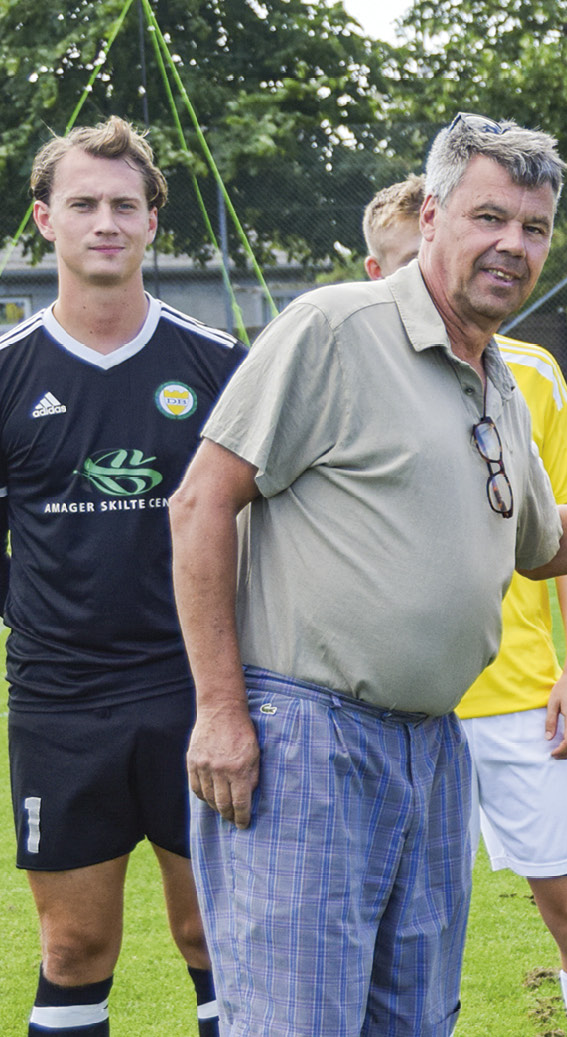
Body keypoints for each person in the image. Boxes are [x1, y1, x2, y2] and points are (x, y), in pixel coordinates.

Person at [168, 113, 567, 1037]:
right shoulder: (333, 327)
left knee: (411, 1021)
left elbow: (546, 542)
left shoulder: (497, 377)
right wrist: (218, 708)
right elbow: (201, 502)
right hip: (308, 742)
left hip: (433, 746)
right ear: (434, 214)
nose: (512, 246)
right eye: (490, 218)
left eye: (533, 228)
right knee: (297, 1021)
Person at [362, 177, 567, 1037]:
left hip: (518, 696)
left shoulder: (533, 375)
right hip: (391, 707)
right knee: (390, 930)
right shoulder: (350, 364)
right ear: (380, 269)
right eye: (406, 265)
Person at [3, 117, 241, 1037]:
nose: (104, 220)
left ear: (152, 224)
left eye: (123, 205)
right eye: (82, 204)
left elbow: (258, 529)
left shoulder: (218, 366)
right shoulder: (8, 372)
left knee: (214, 937)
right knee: (72, 952)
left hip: (200, 693)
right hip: (58, 704)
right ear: (44, 221)